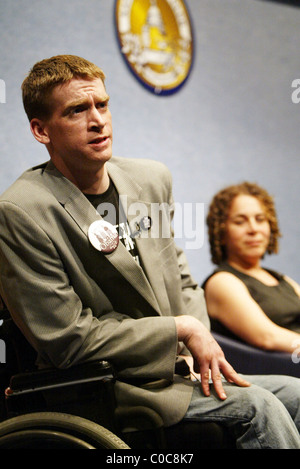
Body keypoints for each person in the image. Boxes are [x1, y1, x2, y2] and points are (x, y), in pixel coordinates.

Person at [0, 55, 300, 449]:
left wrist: (197, 345)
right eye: (77, 110)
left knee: (295, 392)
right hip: (110, 386)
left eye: (102, 105)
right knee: (257, 406)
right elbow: (68, 340)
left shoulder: (150, 178)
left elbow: (183, 278)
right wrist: (178, 331)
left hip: (180, 374)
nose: (98, 120)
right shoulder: (22, 211)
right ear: (41, 129)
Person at [203, 182, 300, 353]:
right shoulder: (221, 282)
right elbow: (267, 338)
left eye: (260, 219)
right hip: (276, 372)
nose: (253, 229)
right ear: (222, 233)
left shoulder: (281, 279)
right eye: (240, 222)